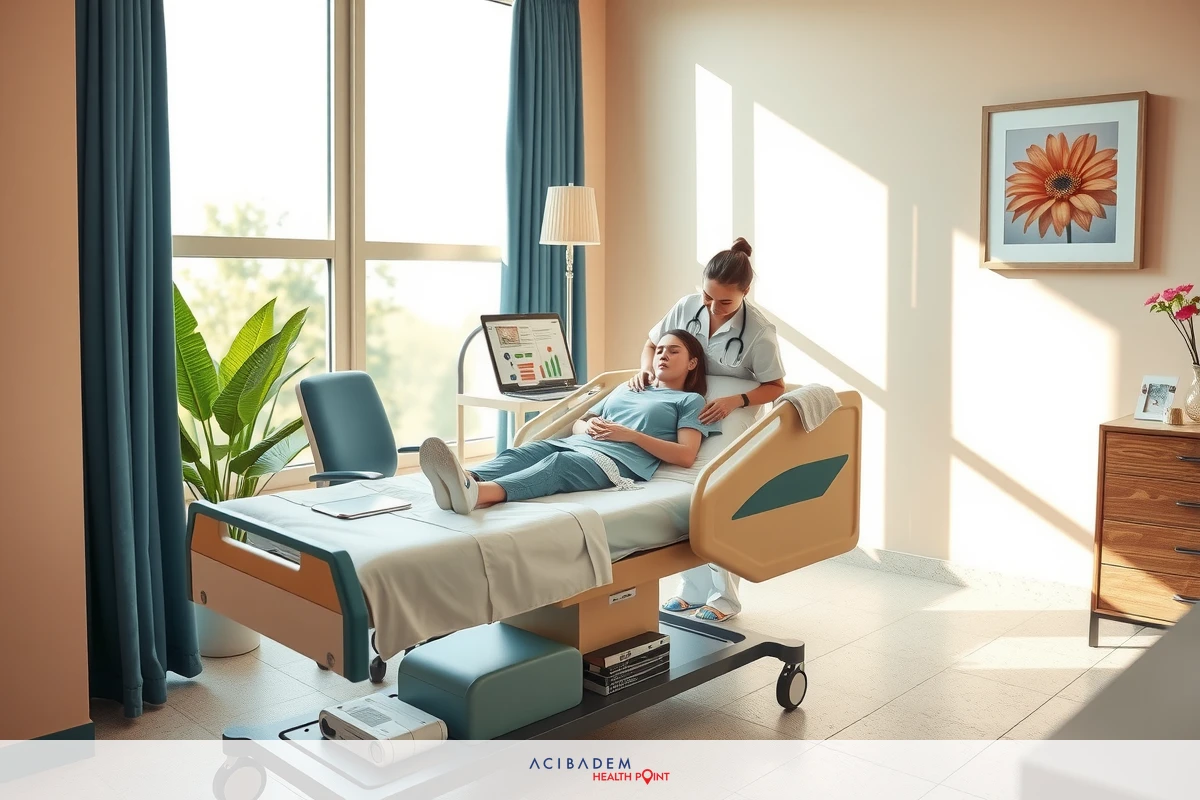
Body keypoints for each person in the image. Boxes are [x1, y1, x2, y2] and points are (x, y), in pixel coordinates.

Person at [630, 237, 787, 623]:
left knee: (716, 494)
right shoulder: (687, 305)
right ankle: (692, 590)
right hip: (686, 401)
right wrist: (646, 368)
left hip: (731, 407)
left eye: (724, 303)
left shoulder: (760, 332)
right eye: (707, 297)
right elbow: (652, 343)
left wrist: (736, 402)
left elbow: (776, 386)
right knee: (680, 490)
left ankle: (724, 598)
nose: (712, 307)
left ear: (745, 293)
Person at [419, 330, 719, 515]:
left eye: (673, 351)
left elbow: (686, 455)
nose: (663, 355)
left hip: (615, 462)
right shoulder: (630, 386)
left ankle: (477, 494)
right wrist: (586, 427)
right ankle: (464, 476)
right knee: (524, 453)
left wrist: (630, 435)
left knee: (556, 467)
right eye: (660, 350)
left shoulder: (688, 400)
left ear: (692, 363)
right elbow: (581, 421)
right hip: (577, 442)